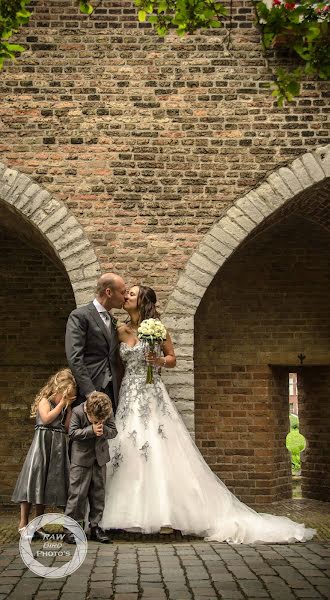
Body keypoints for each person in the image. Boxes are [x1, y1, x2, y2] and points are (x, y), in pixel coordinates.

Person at [101, 285, 316, 544]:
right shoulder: (120, 331)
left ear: (144, 301)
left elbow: (172, 359)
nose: (126, 297)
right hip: (129, 395)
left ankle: (168, 516)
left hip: (152, 393)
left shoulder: (158, 329)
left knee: (158, 446)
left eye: (132, 294)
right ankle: (123, 516)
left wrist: (158, 362)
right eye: (127, 293)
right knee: (127, 446)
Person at [11, 369, 76, 537]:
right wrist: (61, 404)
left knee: (44, 487)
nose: (66, 398)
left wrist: (68, 410)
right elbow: (46, 419)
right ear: (58, 390)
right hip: (42, 446)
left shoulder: (64, 407)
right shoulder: (44, 401)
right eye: (65, 394)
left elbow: (68, 428)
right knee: (32, 483)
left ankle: (37, 525)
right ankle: (23, 523)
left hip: (57, 449)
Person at [65, 272, 127, 414]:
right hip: (89, 391)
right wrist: (90, 392)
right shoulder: (80, 316)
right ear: (109, 292)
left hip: (113, 391)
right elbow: (75, 357)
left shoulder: (112, 320)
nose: (125, 296)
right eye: (122, 292)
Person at [65, 391, 117, 544]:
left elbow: (113, 431)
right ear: (88, 410)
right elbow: (72, 433)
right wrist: (91, 431)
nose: (100, 421)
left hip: (100, 459)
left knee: (98, 495)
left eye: (102, 419)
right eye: (96, 419)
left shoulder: (106, 410)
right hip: (80, 460)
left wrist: (103, 429)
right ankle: (70, 529)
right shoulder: (77, 411)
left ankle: (95, 527)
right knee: (77, 495)